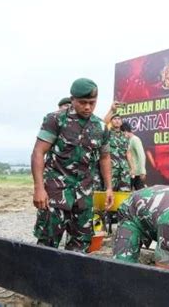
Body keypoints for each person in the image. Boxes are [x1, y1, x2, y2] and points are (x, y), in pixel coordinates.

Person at [31, 78, 113, 252]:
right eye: (82, 102)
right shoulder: (56, 120)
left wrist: (109, 188)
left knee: (81, 245)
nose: (87, 107)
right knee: (47, 243)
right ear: (72, 99)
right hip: (56, 192)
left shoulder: (101, 127)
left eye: (92, 103)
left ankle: (70, 279)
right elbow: (39, 152)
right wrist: (39, 188)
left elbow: (105, 157)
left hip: (84, 195)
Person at [103, 102, 131, 191]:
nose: (117, 120)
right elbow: (103, 123)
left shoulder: (125, 136)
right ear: (111, 121)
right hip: (111, 169)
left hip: (124, 170)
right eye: (114, 119)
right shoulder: (107, 133)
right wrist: (111, 110)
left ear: (121, 122)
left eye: (119, 119)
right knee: (110, 194)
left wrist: (132, 168)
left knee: (125, 194)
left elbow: (128, 153)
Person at [122, 120, 147, 190]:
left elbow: (141, 155)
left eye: (122, 133)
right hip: (131, 172)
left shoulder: (135, 139)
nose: (122, 136)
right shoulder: (129, 140)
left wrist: (142, 171)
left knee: (140, 193)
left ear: (126, 131)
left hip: (137, 173)